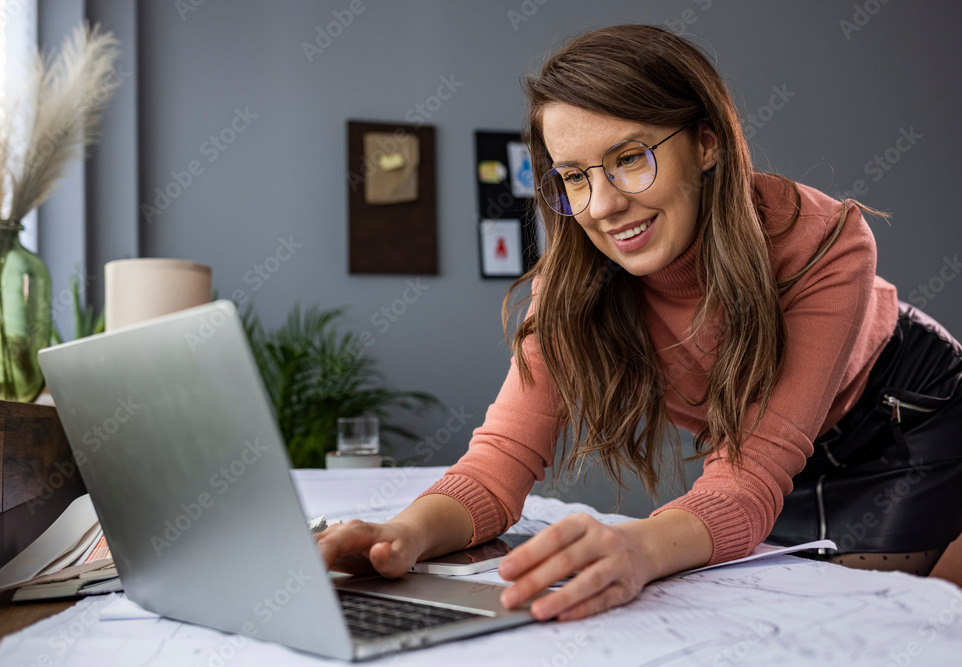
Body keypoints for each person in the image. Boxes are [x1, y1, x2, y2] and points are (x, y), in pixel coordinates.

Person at [318, 24, 962, 622]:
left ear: (706, 143)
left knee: (896, 626)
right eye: (573, 177)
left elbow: (751, 477)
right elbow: (497, 464)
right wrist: (399, 536)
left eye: (630, 158)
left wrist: (635, 548)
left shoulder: (821, 242)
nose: (602, 206)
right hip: (771, 465)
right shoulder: (570, 289)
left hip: (912, 421)